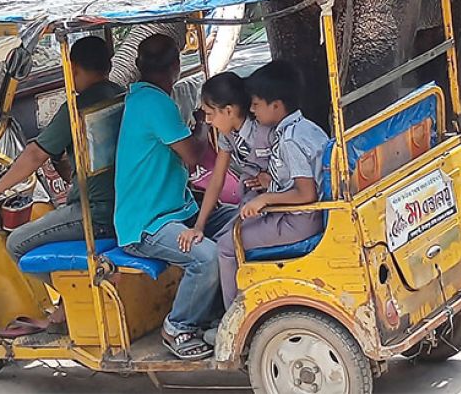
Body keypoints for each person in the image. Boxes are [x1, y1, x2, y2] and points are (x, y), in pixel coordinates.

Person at [0, 36, 125, 336]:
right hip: (122, 207)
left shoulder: (78, 107)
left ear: (74, 69)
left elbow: (35, 154)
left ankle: (72, 303)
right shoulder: (121, 95)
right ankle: (68, 305)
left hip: (95, 215)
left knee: (16, 243)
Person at [114, 35, 238, 360]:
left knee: (241, 219)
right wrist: (200, 123)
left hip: (179, 209)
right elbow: (192, 155)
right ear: (175, 67)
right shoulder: (151, 102)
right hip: (147, 224)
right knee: (207, 257)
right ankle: (177, 325)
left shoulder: (149, 99)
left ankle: (214, 307)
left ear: (139, 66)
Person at [212, 63, 328, 310]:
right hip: (306, 215)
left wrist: (265, 199)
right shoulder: (307, 127)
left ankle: (233, 317)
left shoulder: (288, 140)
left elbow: (306, 193)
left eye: (256, 104)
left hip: (297, 221)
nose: (252, 110)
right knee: (232, 228)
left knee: (225, 245)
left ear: (276, 105)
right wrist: (270, 183)